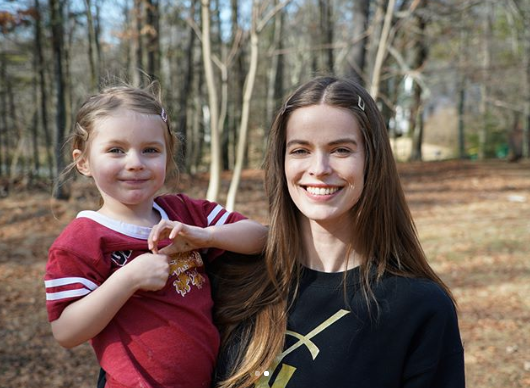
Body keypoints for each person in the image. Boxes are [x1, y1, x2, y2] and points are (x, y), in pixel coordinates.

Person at [211, 76, 465, 388]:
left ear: (371, 161)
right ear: (281, 162)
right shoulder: (231, 274)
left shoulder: (419, 309)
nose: (319, 168)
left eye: (341, 150)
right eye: (301, 150)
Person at [43, 83, 268, 388]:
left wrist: (206, 236)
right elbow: (66, 332)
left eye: (150, 150)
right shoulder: (81, 241)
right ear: (83, 162)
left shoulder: (185, 212)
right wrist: (127, 279)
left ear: (167, 155)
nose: (135, 162)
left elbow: (262, 238)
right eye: (115, 150)